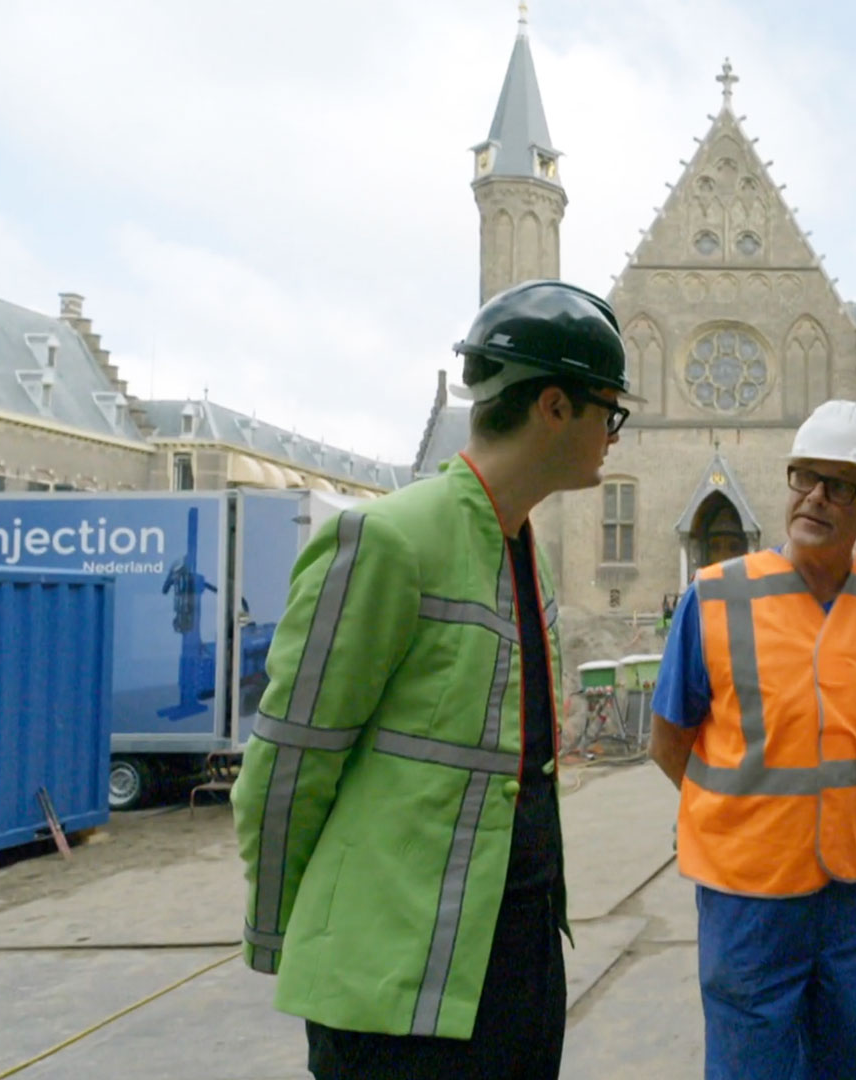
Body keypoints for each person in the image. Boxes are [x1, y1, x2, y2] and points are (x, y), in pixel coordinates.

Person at [231, 280, 639, 1080]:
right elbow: (288, 763)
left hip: (514, 969)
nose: (613, 438)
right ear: (554, 407)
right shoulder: (387, 540)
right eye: (608, 413)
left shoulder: (528, 555)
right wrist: (289, 935)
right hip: (393, 993)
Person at [648, 399, 856, 1080]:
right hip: (747, 894)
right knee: (752, 1065)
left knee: (845, 1058)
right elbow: (668, 741)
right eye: (803, 477)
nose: (815, 497)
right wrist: (735, 813)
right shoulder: (715, 597)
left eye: (840, 485)